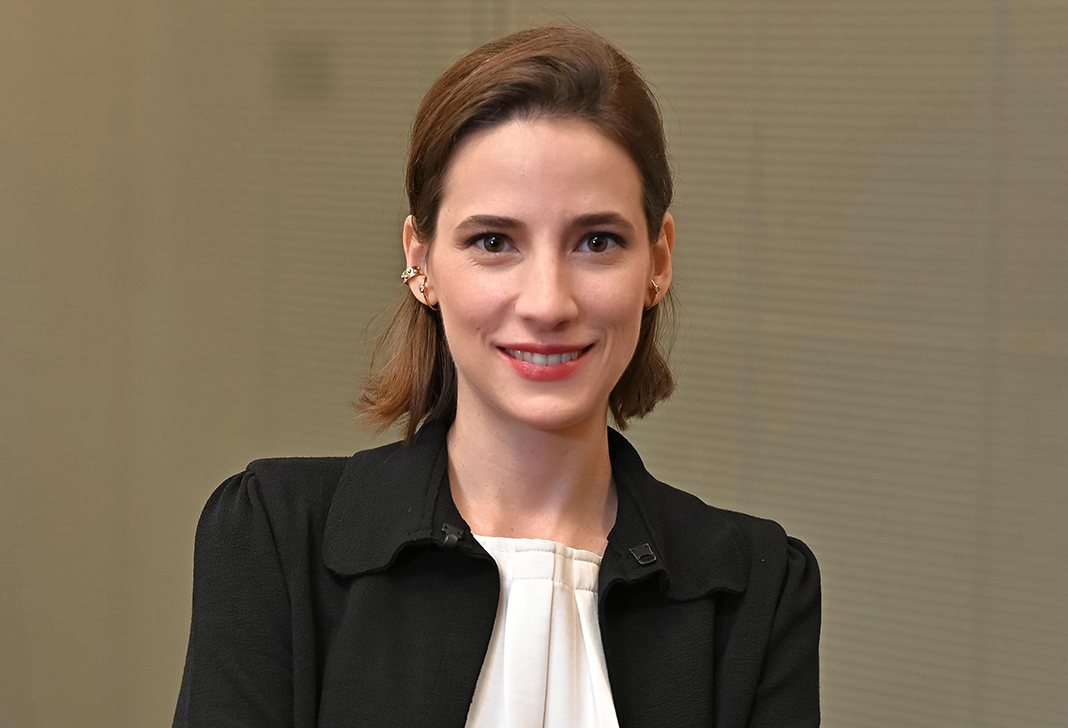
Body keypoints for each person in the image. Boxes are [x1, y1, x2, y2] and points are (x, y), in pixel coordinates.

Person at [173, 25, 820, 728]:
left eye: (596, 241)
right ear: (421, 260)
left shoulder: (757, 590)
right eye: (494, 241)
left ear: (657, 261)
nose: (548, 303)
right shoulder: (275, 538)